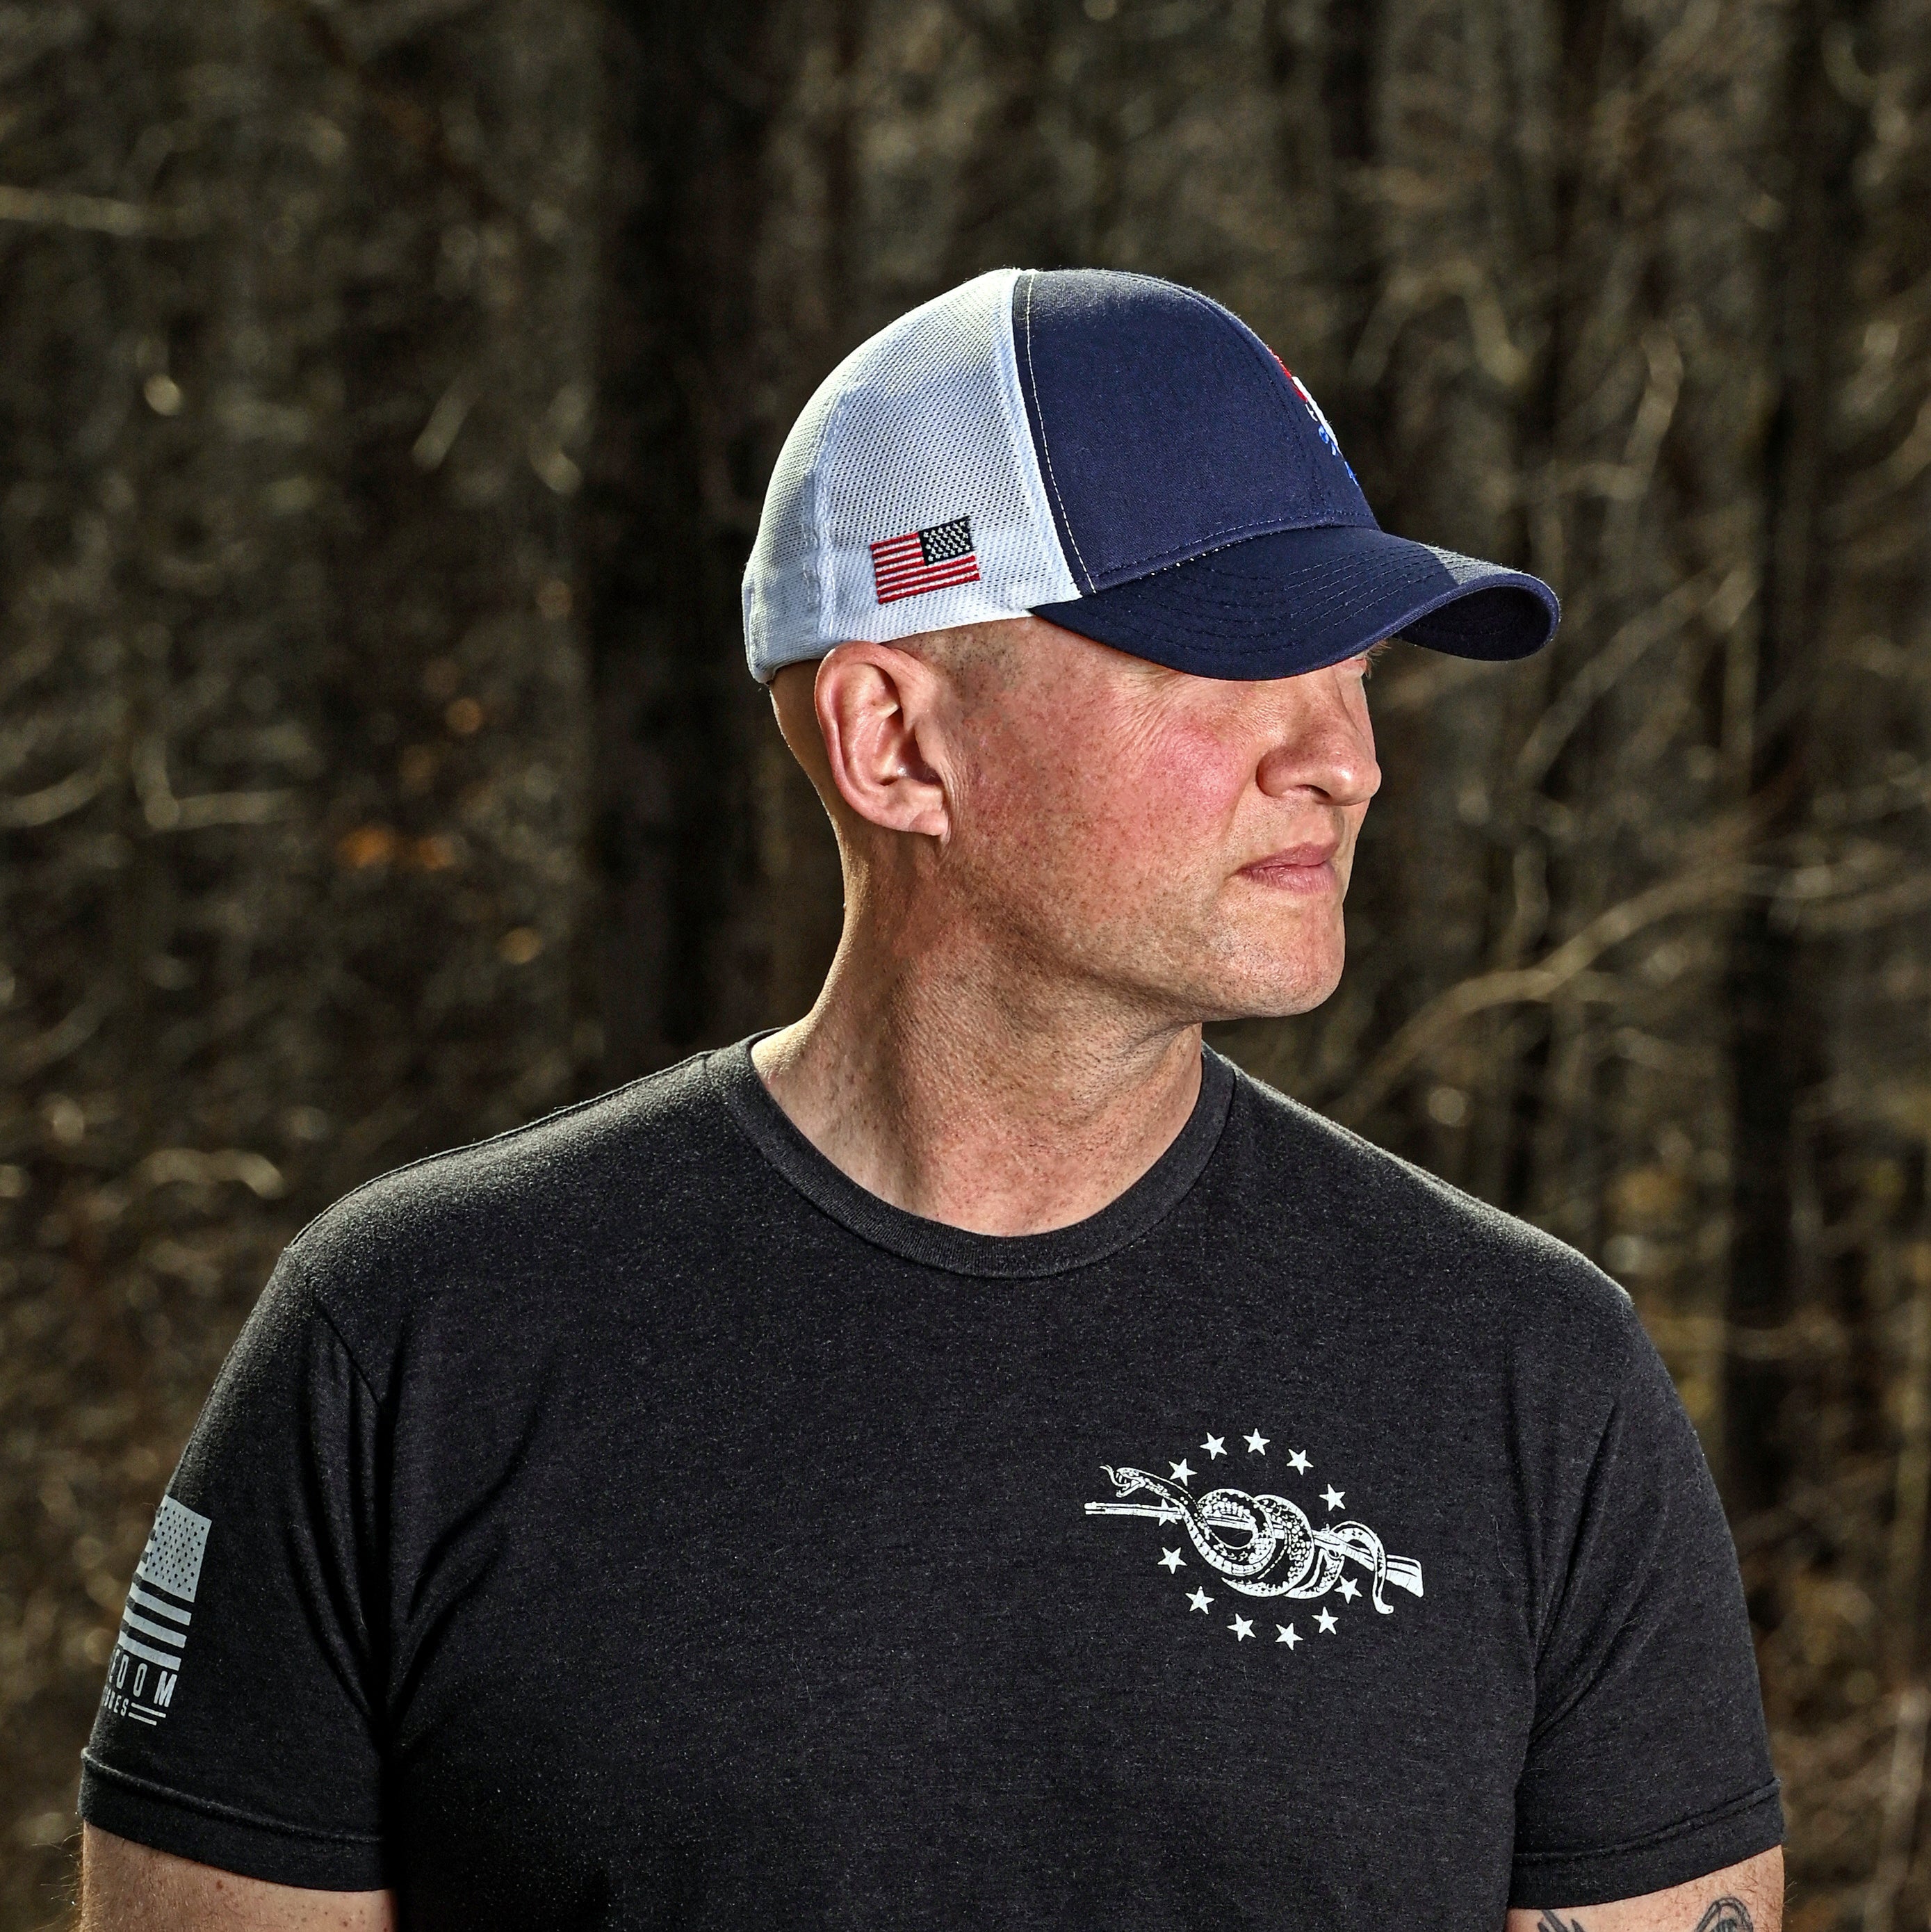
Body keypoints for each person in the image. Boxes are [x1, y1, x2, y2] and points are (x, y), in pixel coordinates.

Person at [77, 269, 1783, 1931]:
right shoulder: (415, 1342)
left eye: (1356, 666)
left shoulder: (1527, 1374)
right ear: (895, 742)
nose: (1345, 757)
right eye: (1231, 661)